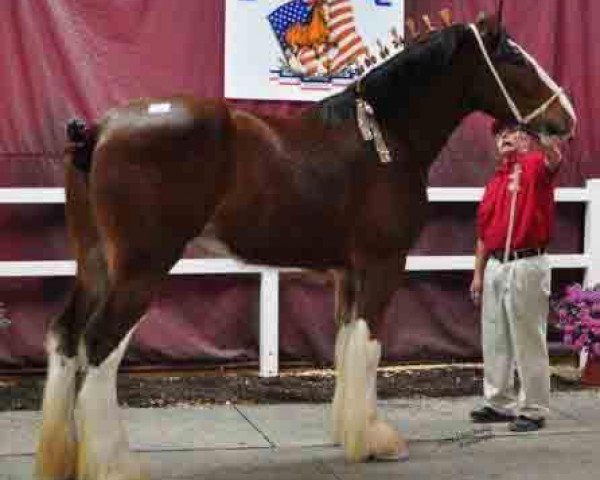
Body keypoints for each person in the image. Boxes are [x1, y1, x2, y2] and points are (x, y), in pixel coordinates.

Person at [469, 119, 563, 432]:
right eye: (499, 134)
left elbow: (554, 160)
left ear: (525, 138)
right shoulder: (494, 182)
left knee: (528, 338)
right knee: (495, 337)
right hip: (496, 264)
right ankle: (499, 402)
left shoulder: (536, 165)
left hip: (527, 263)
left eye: (511, 132)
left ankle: (534, 409)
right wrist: (478, 275)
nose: (504, 137)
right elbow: (483, 233)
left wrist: (545, 142)